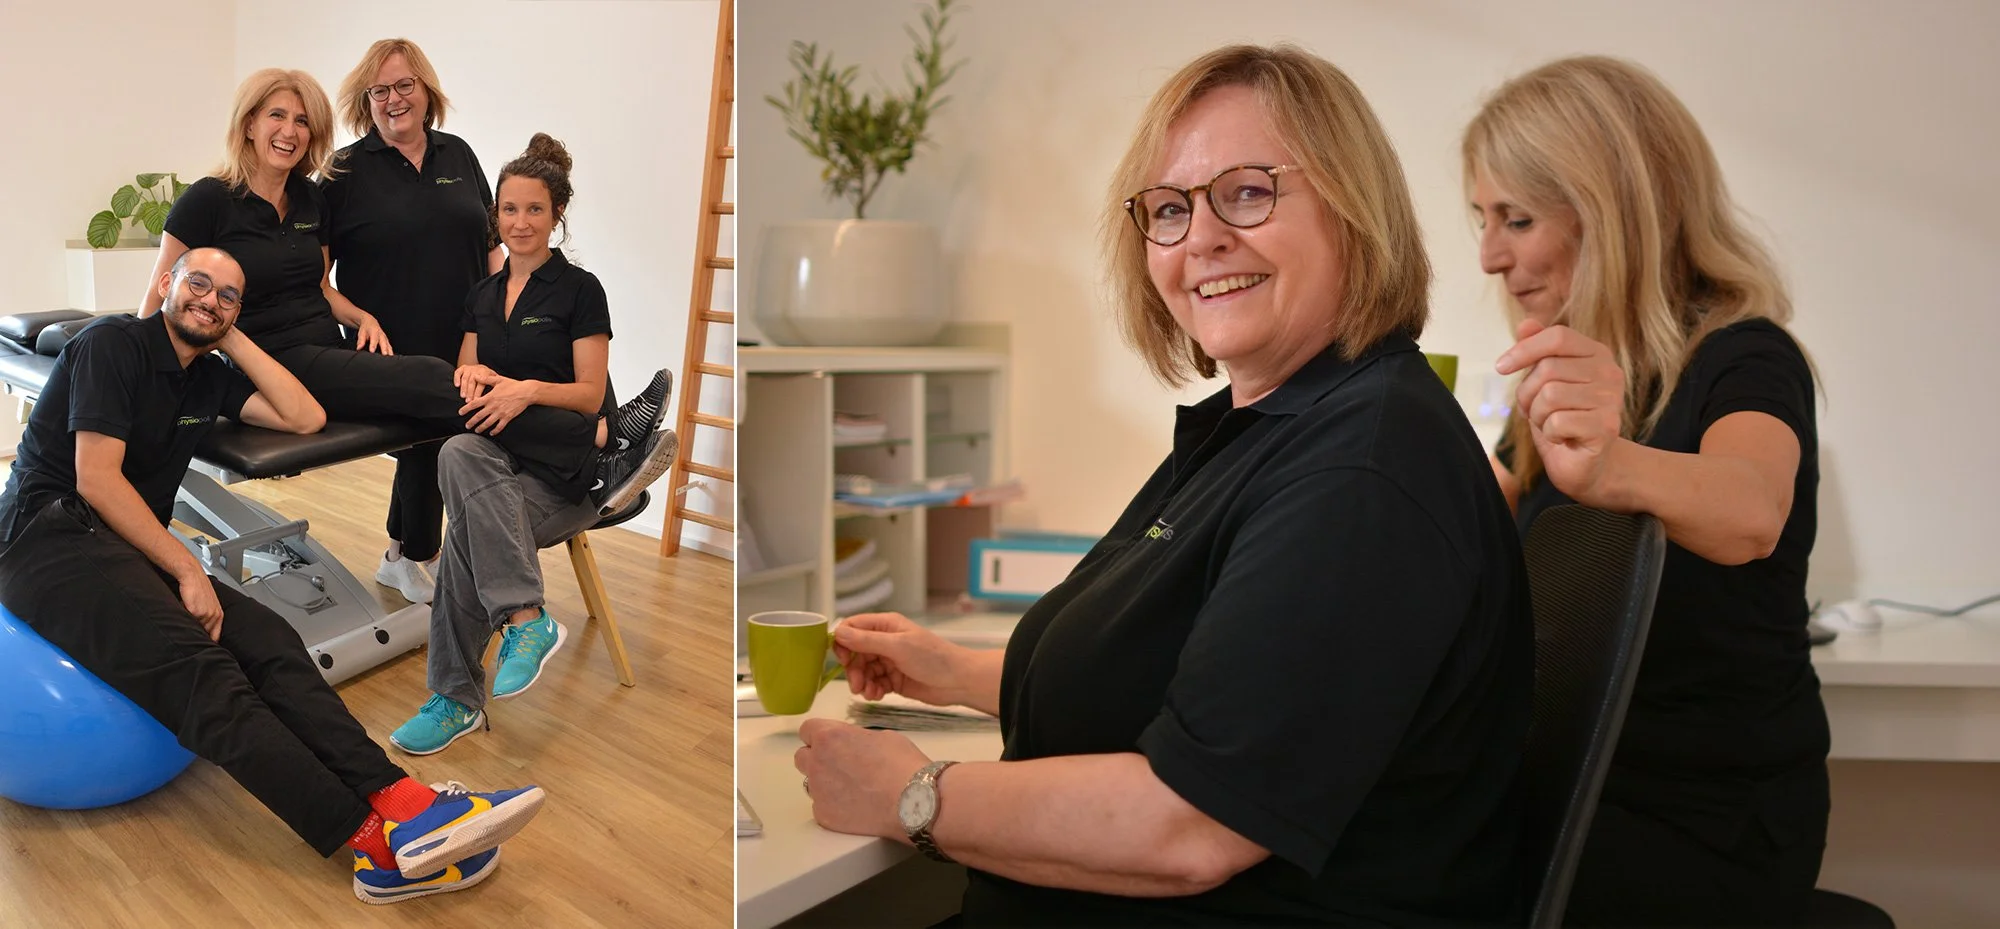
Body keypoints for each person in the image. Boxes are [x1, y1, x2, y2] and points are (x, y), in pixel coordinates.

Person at [792, 45, 1533, 927]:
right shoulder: (1274, 421)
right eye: (1171, 208)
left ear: (1352, 205)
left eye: (1249, 191)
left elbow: (1192, 824)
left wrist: (912, 794)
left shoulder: (1361, 468)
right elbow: (1210, 684)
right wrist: (957, 672)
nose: (1204, 237)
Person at [0, 248, 546, 905]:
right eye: (198, 284)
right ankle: (374, 844)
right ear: (166, 282)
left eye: (228, 295)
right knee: (208, 676)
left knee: (272, 641)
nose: (210, 299)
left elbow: (304, 414)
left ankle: (405, 798)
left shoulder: (206, 376)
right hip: (44, 538)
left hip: (118, 541)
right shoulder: (111, 345)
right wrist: (185, 566)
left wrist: (228, 332)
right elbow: (95, 479)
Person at [1465, 56, 1828, 927]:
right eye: (1481, 219)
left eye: (1517, 218)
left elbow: (1751, 511)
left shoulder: (1745, 358)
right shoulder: (1555, 382)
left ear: (1614, 212)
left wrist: (1611, 466)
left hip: (1701, 824)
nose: (1488, 255)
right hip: (1567, 783)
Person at [141, 68, 671, 528]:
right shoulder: (208, 201)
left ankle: (571, 464)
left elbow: (319, 286)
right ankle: (600, 443)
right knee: (432, 378)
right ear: (250, 123)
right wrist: (158, 391)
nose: (290, 131)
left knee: (438, 402)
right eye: (277, 116)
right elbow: (160, 302)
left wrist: (360, 314)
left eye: (302, 122)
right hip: (272, 362)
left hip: (327, 348)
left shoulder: (307, 197)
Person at [390, 134, 675, 754]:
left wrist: (522, 392)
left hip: (562, 479)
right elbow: (468, 371)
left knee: (464, 532)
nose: (520, 223)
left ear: (556, 216)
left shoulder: (579, 290)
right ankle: (524, 621)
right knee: (457, 451)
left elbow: (586, 391)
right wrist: (474, 378)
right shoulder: (482, 296)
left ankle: (456, 697)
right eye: (509, 210)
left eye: (534, 211)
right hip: (499, 466)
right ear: (495, 214)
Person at [320, 38, 501, 604]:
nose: (394, 100)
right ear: (365, 102)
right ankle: (419, 553)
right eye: (380, 91)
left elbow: (492, 249)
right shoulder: (344, 171)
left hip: (468, 336)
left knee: (555, 334)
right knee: (447, 427)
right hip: (389, 349)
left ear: (426, 92)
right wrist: (360, 316)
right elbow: (315, 281)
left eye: (405, 86)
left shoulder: (459, 155)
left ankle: (403, 555)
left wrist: (506, 320)